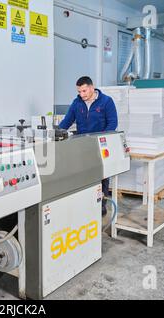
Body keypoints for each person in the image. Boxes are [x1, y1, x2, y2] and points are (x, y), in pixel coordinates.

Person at [59, 76, 118, 216]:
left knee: (101, 176)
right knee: (83, 175)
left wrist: (101, 139)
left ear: (92, 87)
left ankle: (101, 204)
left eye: (84, 91)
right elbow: (66, 122)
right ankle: (85, 203)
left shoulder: (106, 101)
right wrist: (56, 133)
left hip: (99, 145)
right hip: (83, 145)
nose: (82, 94)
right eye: (79, 91)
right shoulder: (76, 103)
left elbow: (112, 124)